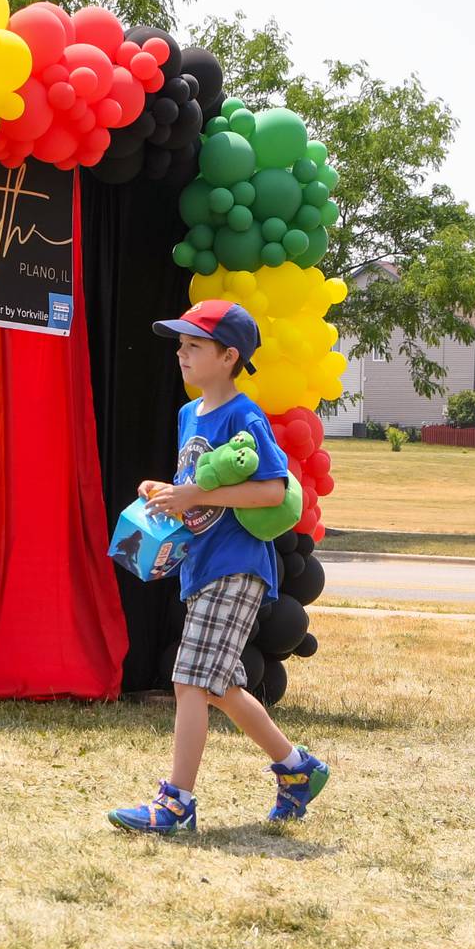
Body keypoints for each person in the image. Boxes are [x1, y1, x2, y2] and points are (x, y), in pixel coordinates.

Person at [107, 300, 331, 834]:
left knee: (187, 681)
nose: (181, 355)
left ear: (229, 356)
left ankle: (176, 803)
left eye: (194, 346)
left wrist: (195, 493)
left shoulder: (243, 414)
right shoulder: (190, 415)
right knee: (217, 687)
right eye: (180, 345)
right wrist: (166, 492)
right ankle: (298, 770)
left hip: (236, 566)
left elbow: (272, 489)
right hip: (201, 565)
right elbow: (199, 486)